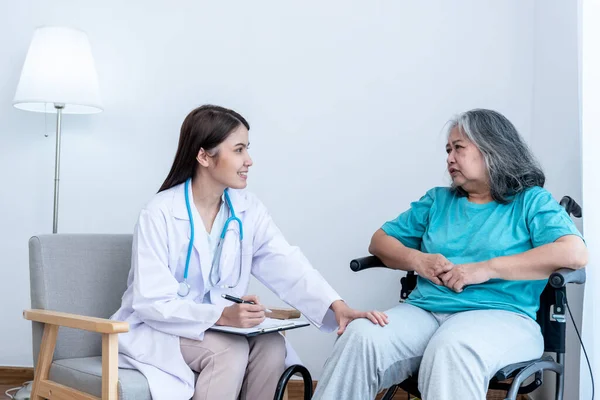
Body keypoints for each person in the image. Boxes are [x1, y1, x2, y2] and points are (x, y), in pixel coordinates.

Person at [110, 104, 388, 400]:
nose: (249, 161)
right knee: (227, 352)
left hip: (219, 327)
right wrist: (222, 315)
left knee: (272, 347)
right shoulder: (159, 213)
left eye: (247, 149)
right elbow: (151, 301)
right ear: (204, 156)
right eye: (239, 150)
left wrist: (336, 306)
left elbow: (287, 263)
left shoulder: (247, 210)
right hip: (160, 328)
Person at [312, 108, 588, 400]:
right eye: (448, 150)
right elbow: (380, 242)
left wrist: (486, 268)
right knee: (361, 337)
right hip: (424, 311)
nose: (449, 159)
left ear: (492, 148)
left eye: (458, 148)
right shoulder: (437, 201)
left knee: (452, 347)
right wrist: (419, 260)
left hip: (502, 316)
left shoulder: (531, 201)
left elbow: (574, 252)